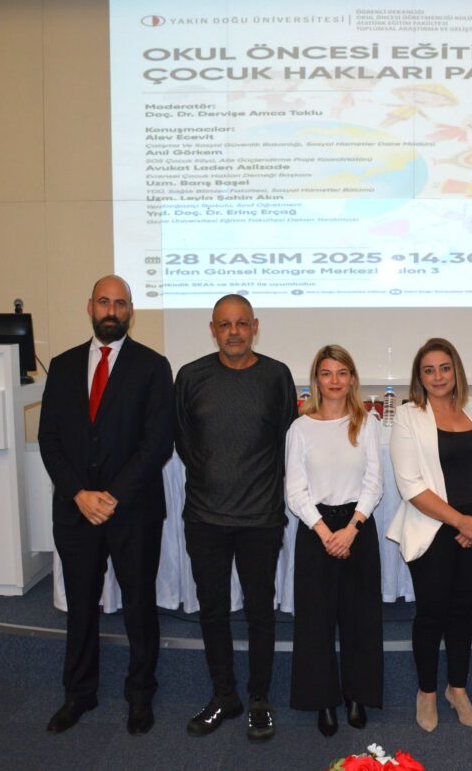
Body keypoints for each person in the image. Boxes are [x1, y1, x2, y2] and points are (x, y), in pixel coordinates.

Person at [38, 275, 173, 735]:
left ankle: (140, 695)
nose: (111, 311)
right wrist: (79, 494)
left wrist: (112, 496)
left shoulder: (153, 366)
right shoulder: (62, 365)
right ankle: (79, 693)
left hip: (133, 510)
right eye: (103, 302)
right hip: (75, 510)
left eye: (120, 303)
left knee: (139, 605)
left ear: (131, 311)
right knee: (80, 606)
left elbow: (158, 443)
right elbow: (49, 439)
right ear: (89, 307)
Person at [174, 294, 298, 742]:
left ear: (255, 327)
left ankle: (259, 697)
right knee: (213, 610)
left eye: (242, 323)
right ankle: (224, 694)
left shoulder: (277, 376)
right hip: (205, 517)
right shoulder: (190, 376)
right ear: (213, 330)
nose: (234, 332)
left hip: (260, 518)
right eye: (224, 324)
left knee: (261, 612)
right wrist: (215, 478)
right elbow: (185, 442)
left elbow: (287, 441)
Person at [387, 338, 472, 732]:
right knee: (432, 612)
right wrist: (461, 522)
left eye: (445, 368)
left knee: (462, 610)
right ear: (419, 377)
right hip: (432, 527)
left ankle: (458, 689)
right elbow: (410, 485)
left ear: (456, 370)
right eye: (429, 370)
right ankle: (427, 692)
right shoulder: (408, 416)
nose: (438, 377)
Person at [285, 345, 384, 737]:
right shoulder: (300, 428)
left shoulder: (367, 423)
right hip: (317, 531)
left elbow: (374, 483)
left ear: (352, 378)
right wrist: (326, 532)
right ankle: (323, 700)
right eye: (327, 373)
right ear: (316, 380)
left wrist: (351, 529)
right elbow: (295, 491)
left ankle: (358, 696)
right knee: (316, 621)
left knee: (361, 618)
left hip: (358, 527)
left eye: (342, 373)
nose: (335, 381)